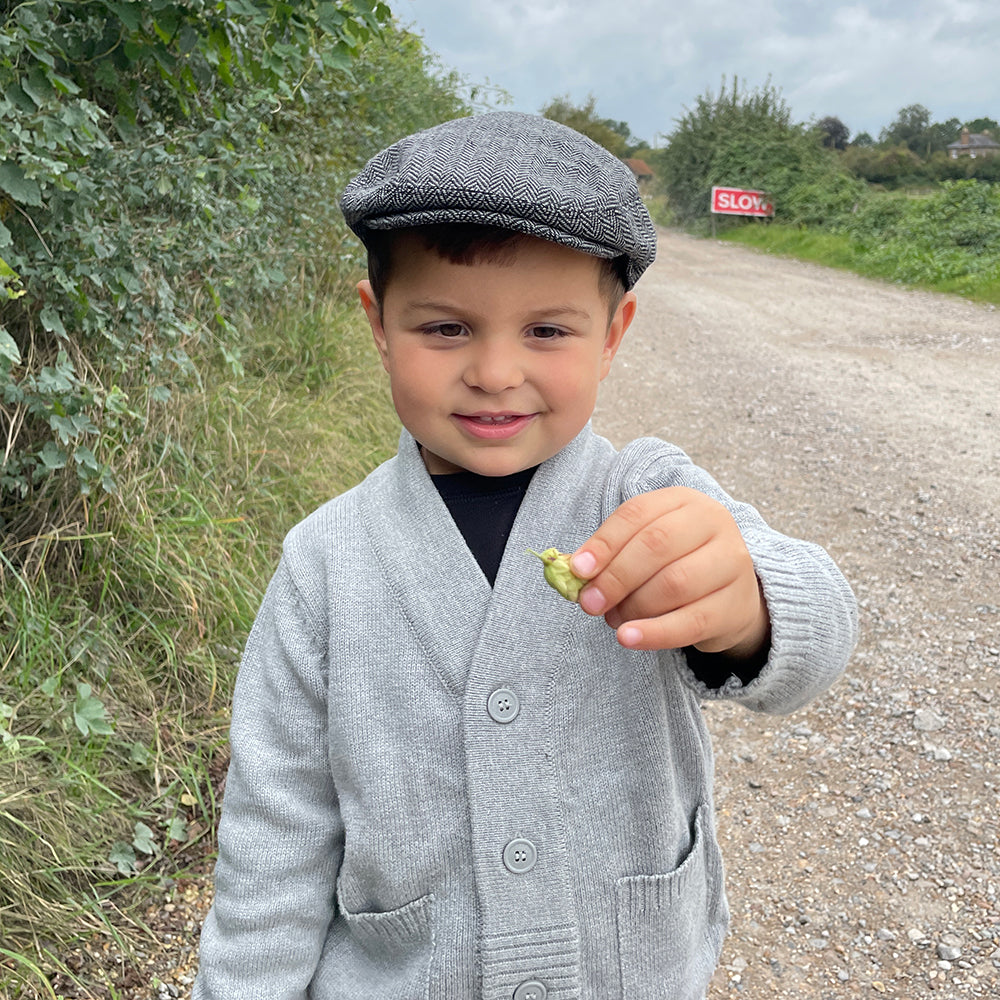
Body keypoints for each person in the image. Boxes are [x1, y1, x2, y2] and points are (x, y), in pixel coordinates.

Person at [192, 111, 858, 1000]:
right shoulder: (325, 564)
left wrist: (749, 606)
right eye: (445, 329)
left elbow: (818, 632)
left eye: (547, 331)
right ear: (378, 323)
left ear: (614, 333)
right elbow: (274, 841)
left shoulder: (645, 493)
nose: (497, 371)